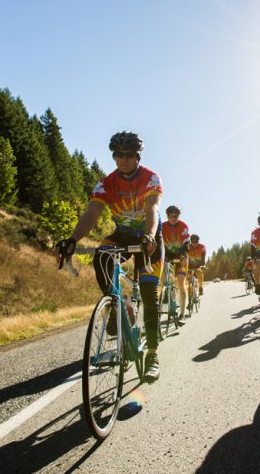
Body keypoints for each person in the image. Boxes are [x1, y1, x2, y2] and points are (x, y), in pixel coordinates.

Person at [56, 131, 165, 382]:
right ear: (114, 157)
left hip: (148, 237)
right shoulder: (106, 184)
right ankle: (119, 307)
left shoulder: (150, 178)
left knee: (149, 294)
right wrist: (73, 239)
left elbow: (153, 209)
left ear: (137, 157)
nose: (124, 160)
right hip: (123, 235)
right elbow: (92, 213)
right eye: (119, 155)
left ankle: (152, 354)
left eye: (129, 155)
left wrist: (149, 236)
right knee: (101, 256)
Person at [162, 204, 190, 324]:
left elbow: (186, 243)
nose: (173, 218)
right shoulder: (162, 226)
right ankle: (168, 289)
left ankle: (182, 314)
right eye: (171, 216)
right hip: (168, 255)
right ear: (167, 216)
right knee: (162, 272)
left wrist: (183, 256)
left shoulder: (183, 226)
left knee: (180, 283)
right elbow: (159, 242)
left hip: (181, 256)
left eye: (176, 216)